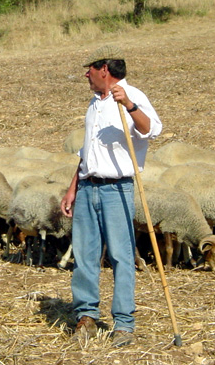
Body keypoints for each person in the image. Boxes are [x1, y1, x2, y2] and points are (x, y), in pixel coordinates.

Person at [60, 45, 162, 348]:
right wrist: (73, 187)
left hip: (117, 188)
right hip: (89, 185)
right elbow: (86, 152)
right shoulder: (94, 103)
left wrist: (129, 104)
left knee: (120, 255)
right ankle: (87, 316)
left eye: (89, 69)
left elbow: (152, 130)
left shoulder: (133, 95)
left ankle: (123, 324)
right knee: (85, 254)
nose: (86, 75)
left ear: (104, 69)